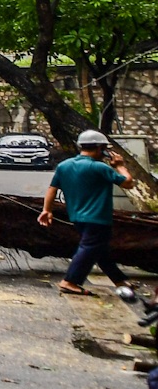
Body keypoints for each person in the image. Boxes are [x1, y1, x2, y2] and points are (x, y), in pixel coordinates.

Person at [40, 130, 158, 322]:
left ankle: (120, 281)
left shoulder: (64, 165)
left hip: (77, 216)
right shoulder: (100, 168)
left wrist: (47, 210)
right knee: (89, 248)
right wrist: (119, 166)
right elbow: (128, 183)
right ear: (101, 148)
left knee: (100, 250)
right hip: (98, 217)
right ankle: (70, 281)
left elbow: (52, 188)